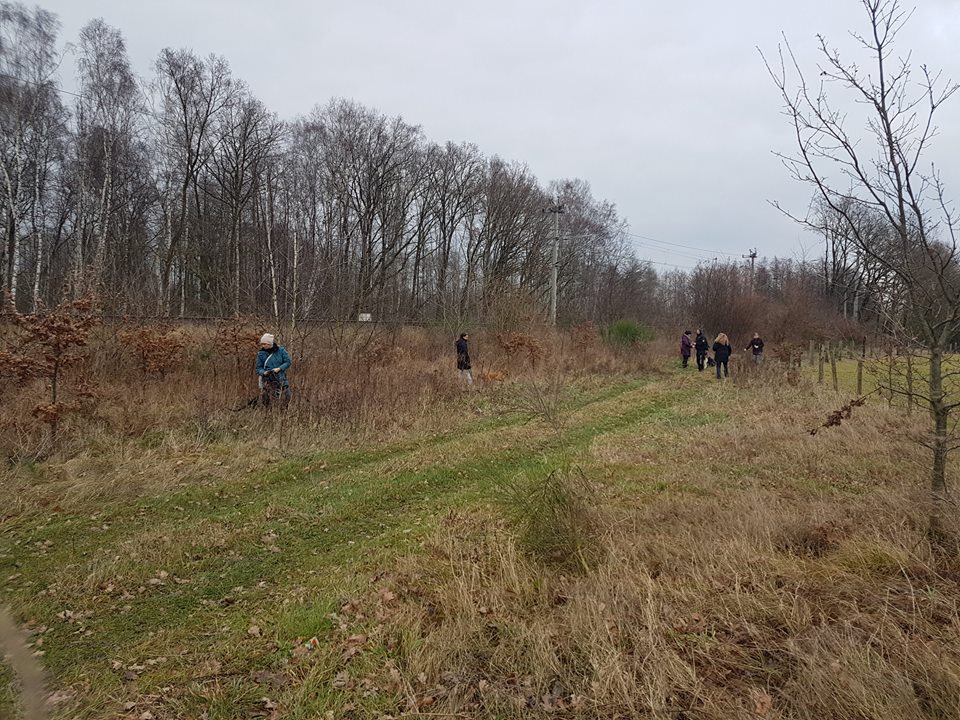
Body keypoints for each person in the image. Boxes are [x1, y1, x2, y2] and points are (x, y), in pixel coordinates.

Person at [256, 333, 292, 407]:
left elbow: (288, 362)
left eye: (264, 344)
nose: (263, 346)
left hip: (281, 378)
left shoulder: (281, 351)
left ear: (269, 343)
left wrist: (279, 368)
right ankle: (269, 411)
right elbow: (258, 368)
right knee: (267, 399)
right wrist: (264, 372)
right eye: (262, 344)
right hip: (267, 380)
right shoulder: (261, 354)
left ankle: (283, 410)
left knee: (287, 396)